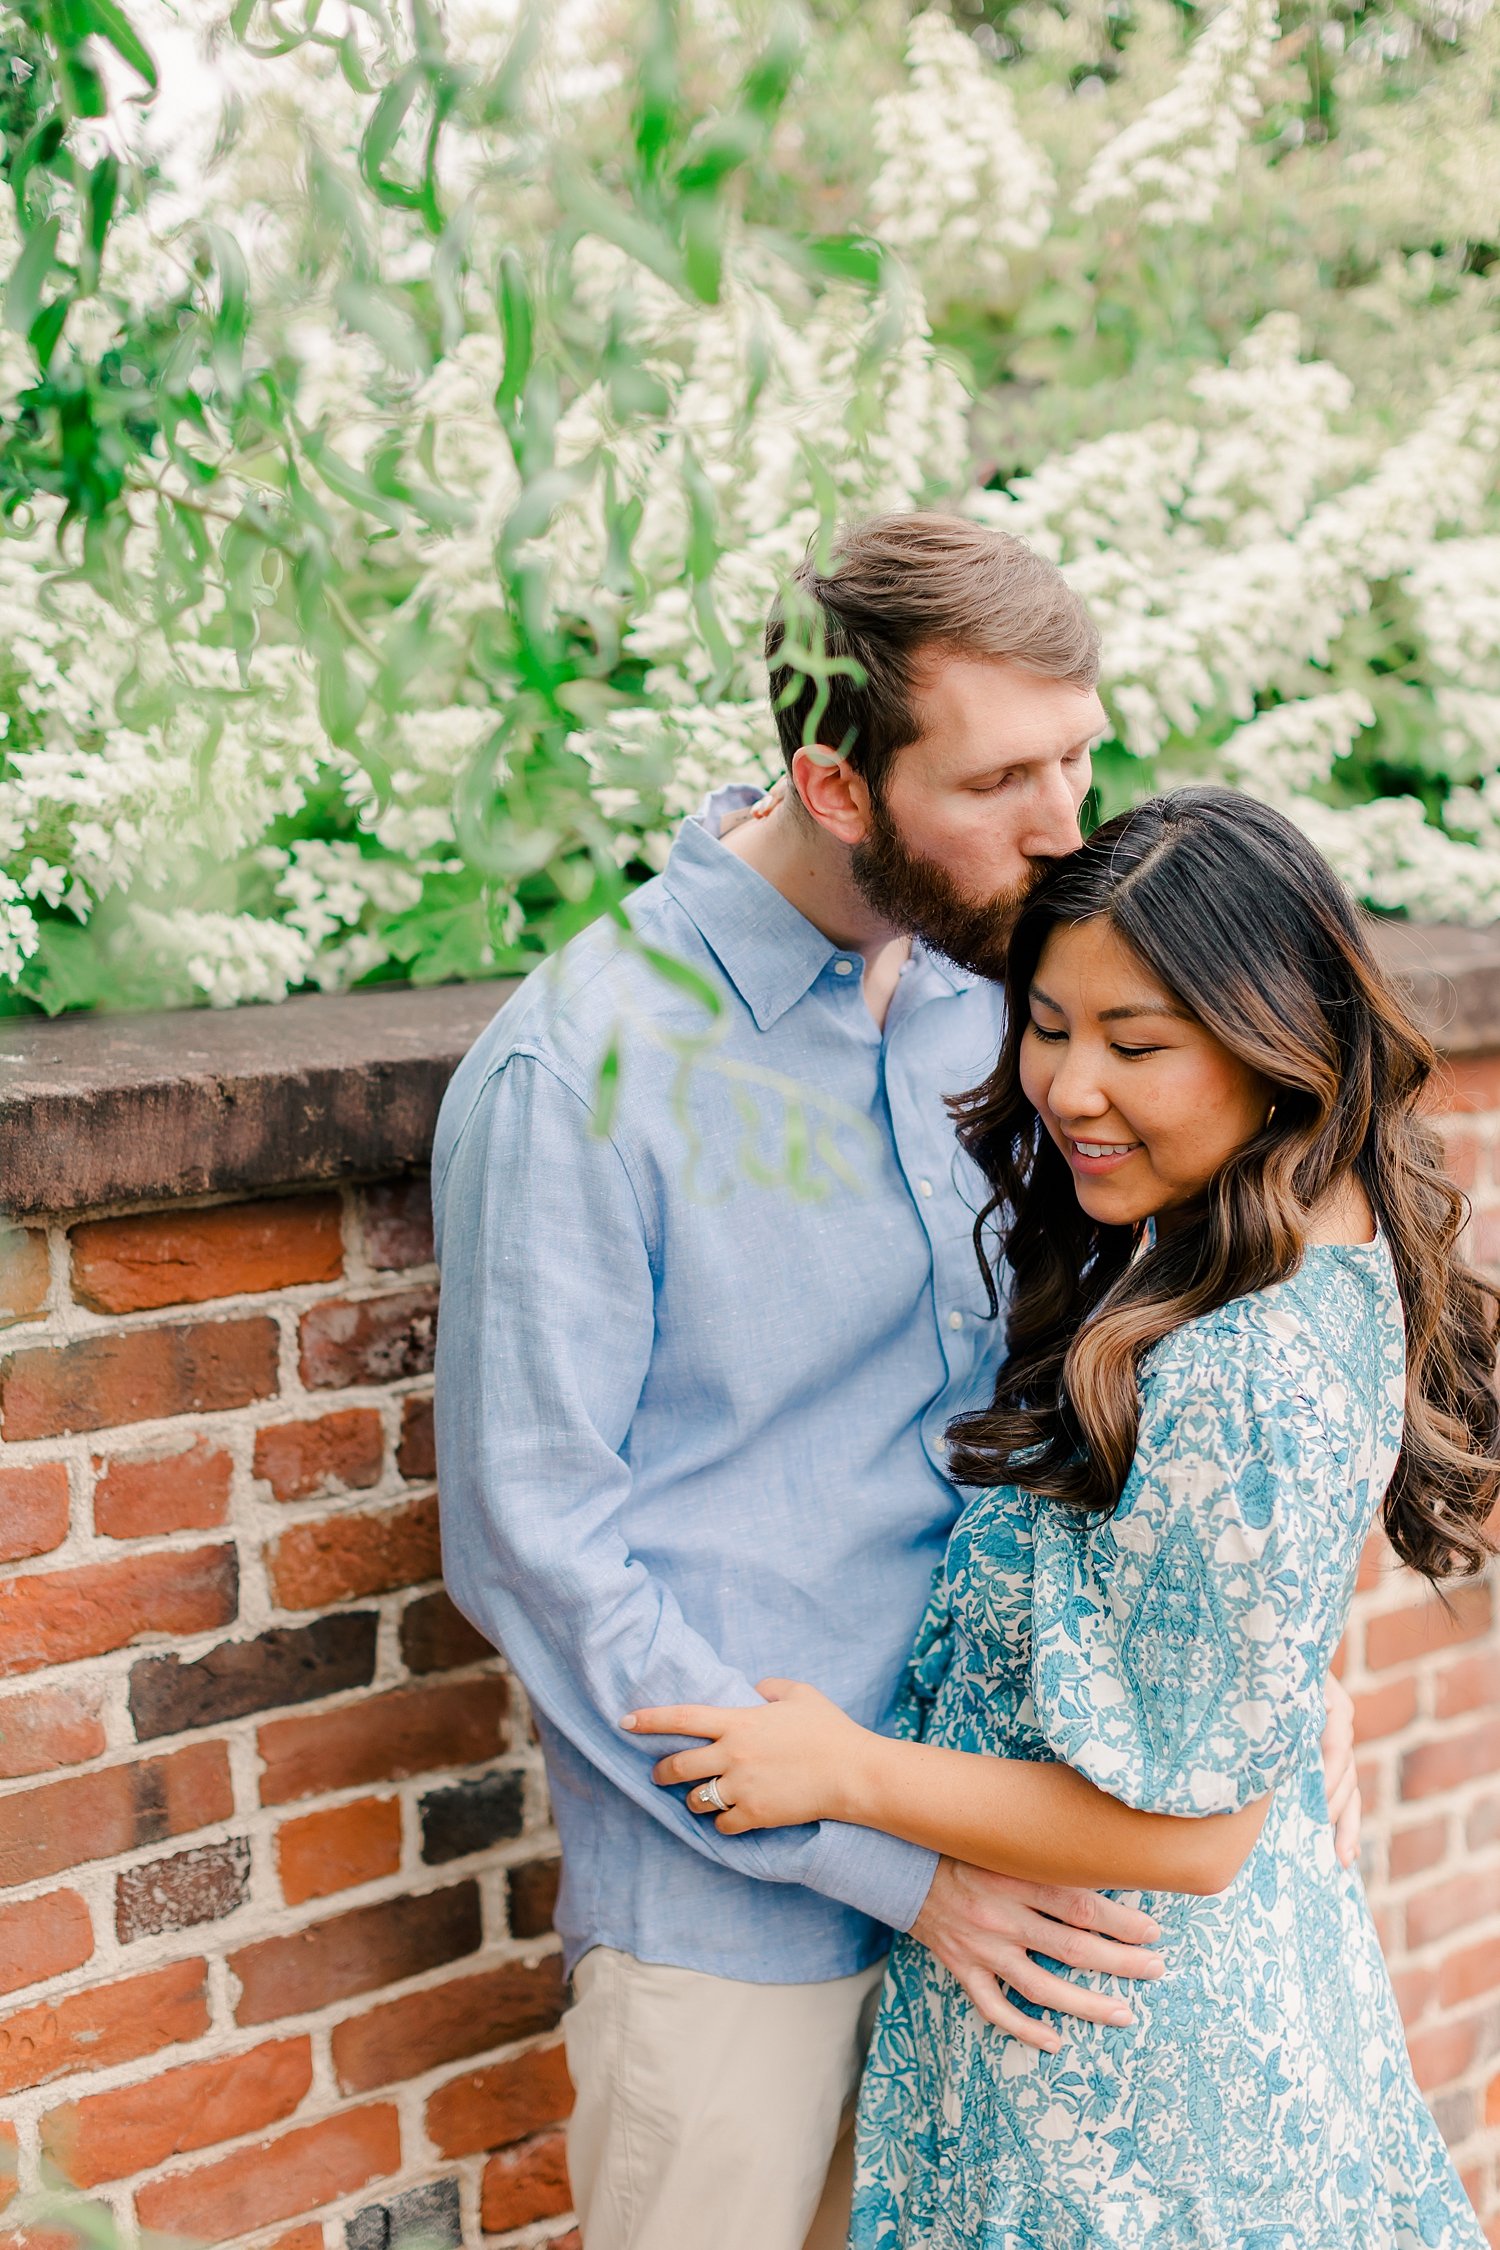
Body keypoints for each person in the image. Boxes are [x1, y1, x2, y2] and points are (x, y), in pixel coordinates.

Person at [431, 520, 1360, 2250]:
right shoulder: (578, 1072)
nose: (1067, 828)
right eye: (1003, 777)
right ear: (835, 785)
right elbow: (535, 1552)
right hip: (743, 1931)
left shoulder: (1012, 1001)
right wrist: (904, 1869)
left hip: (1025, 1876)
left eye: (1079, 756)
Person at [629, 788, 1498, 2248]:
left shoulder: (1243, 1367)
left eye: (1137, 1044)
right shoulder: (1271, 1237)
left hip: (1131, 2076)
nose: (1068, 1085)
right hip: (1128, 2023)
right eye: (1046, 1023)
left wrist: (841, 1769)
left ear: (1275, 1036)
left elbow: (1198, 1831)